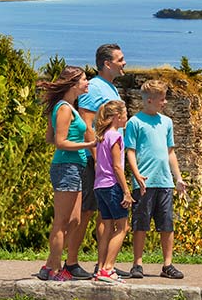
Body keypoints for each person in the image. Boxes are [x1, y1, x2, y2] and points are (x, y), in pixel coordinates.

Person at [67, 43, 130, 279]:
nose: (124, 63)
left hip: (107, 162)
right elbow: (86, 123)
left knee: (104, 214)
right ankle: (71, 262)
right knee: (86, 211)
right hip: (96, 162)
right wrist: (97, 158)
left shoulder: (110, 88)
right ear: (107, 63)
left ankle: (103, 264)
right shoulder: (94, 88)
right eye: (120, 59)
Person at [36, 66, 96, 281]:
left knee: (75, 220)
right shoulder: (64, 109)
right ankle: (53, 269)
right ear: (73, 84)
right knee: (61, 222)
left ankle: (50, 266)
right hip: (66, 168)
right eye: (84, 79)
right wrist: (88, 143)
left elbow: (49, 137)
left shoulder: (69, 107)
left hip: (75, 167)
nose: (88, 82)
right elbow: (59, 142)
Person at [125, 79, 187, 280]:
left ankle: (167, 264)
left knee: (167, 224)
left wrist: (177, 178)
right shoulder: (135, 122)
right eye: (162, 99)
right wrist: (136, 175)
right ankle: (137, 264)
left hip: (165, 182)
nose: (165, 102)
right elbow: (130, 152)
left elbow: (170, 152)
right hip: (144, 182)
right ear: (150, 100)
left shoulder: (166, 122)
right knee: (140, 224)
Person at [93, 100, 134, 283]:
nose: (127, 117)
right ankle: (108, 268)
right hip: (111, 185)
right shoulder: (115, 136)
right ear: (118, 116)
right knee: (123, 227)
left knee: (108, 227)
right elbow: (117, 166)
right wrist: (126, 191)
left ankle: (101, 268)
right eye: (125, 114)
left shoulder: (102, 136)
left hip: (99, 186)